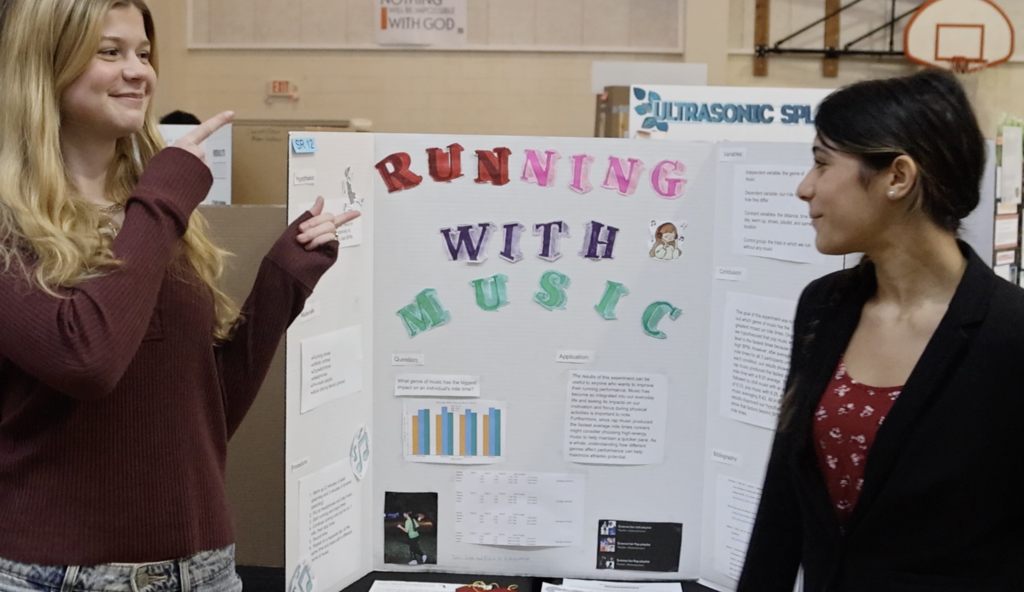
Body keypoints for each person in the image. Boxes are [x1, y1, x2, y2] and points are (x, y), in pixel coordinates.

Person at [0, 1, 357, 591]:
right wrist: (164, 196)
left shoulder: (154, 216)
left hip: (202, 569)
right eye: (109, 52)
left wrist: (282, 282)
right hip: (53, 576)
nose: (138, 71)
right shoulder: (32, 221)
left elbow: (207, 414)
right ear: (45, 66)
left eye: (143, 53)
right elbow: (86, 358)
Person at [737, 68, 1024, 591]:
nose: (805, 188)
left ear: (897, 177)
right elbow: (785, 495)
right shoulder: (824, 305)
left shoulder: (1010, 332)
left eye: (823, 163)